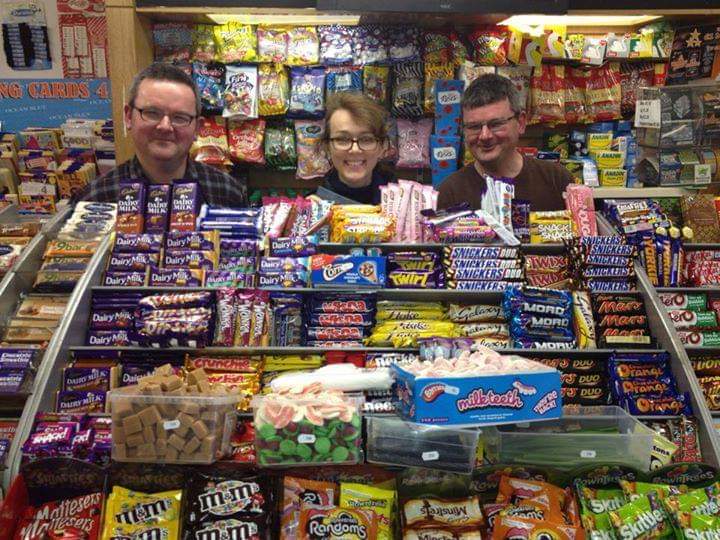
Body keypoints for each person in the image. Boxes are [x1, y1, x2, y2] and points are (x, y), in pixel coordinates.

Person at [82, 62, 247, 206]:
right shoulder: (93, 199)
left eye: (180, 117)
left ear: (197, 128)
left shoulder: (228, 193)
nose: (165, 126)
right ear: (128, 117)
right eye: (152, 113)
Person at [437, 74, 574, 211]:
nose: (485, 136)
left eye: (496, 124)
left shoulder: (558, 180)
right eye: (474, 127)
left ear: (521, 123)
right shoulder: (449, 194)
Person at [321, 92, 393, 204]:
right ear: (327, 147)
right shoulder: (311, 212)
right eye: (343, 139)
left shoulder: (407, 208)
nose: (355, 149)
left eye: (366, 139)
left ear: (382, 147)